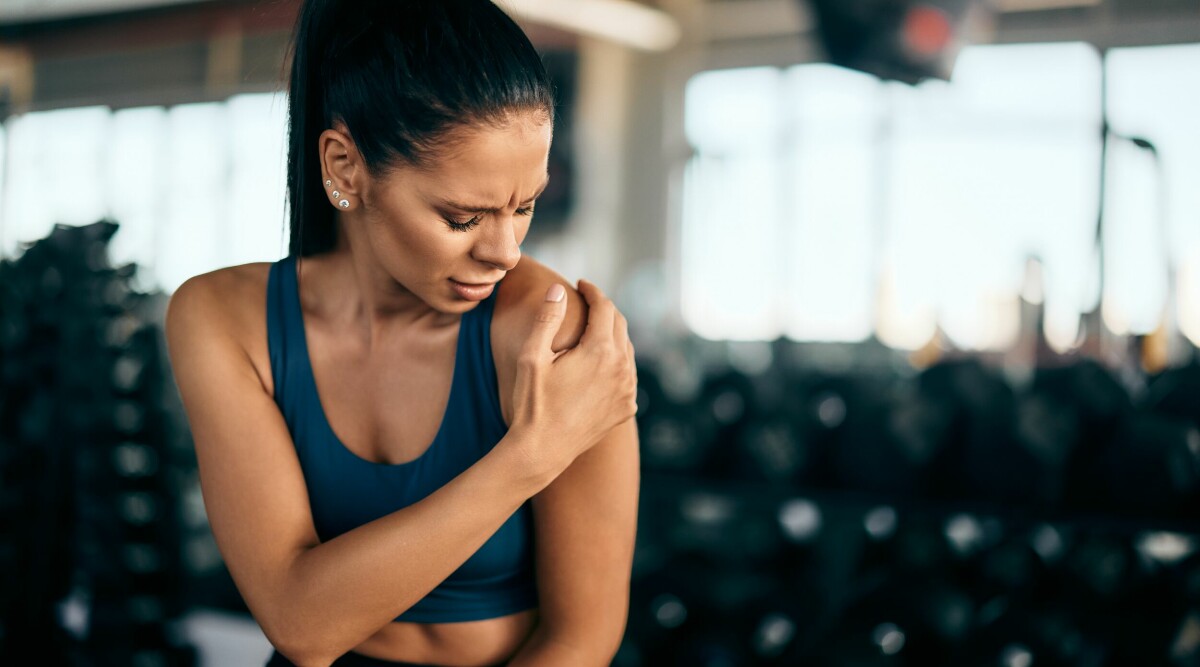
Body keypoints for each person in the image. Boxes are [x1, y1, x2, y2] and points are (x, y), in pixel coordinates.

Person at [164, 1, 641, 665]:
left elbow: (581, 638)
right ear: (345, 167)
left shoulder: (556, 333)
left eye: (524, 205)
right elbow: (299, 623)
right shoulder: (221, 318)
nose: (504, 251)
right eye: (462, 217)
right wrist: (530, 456)